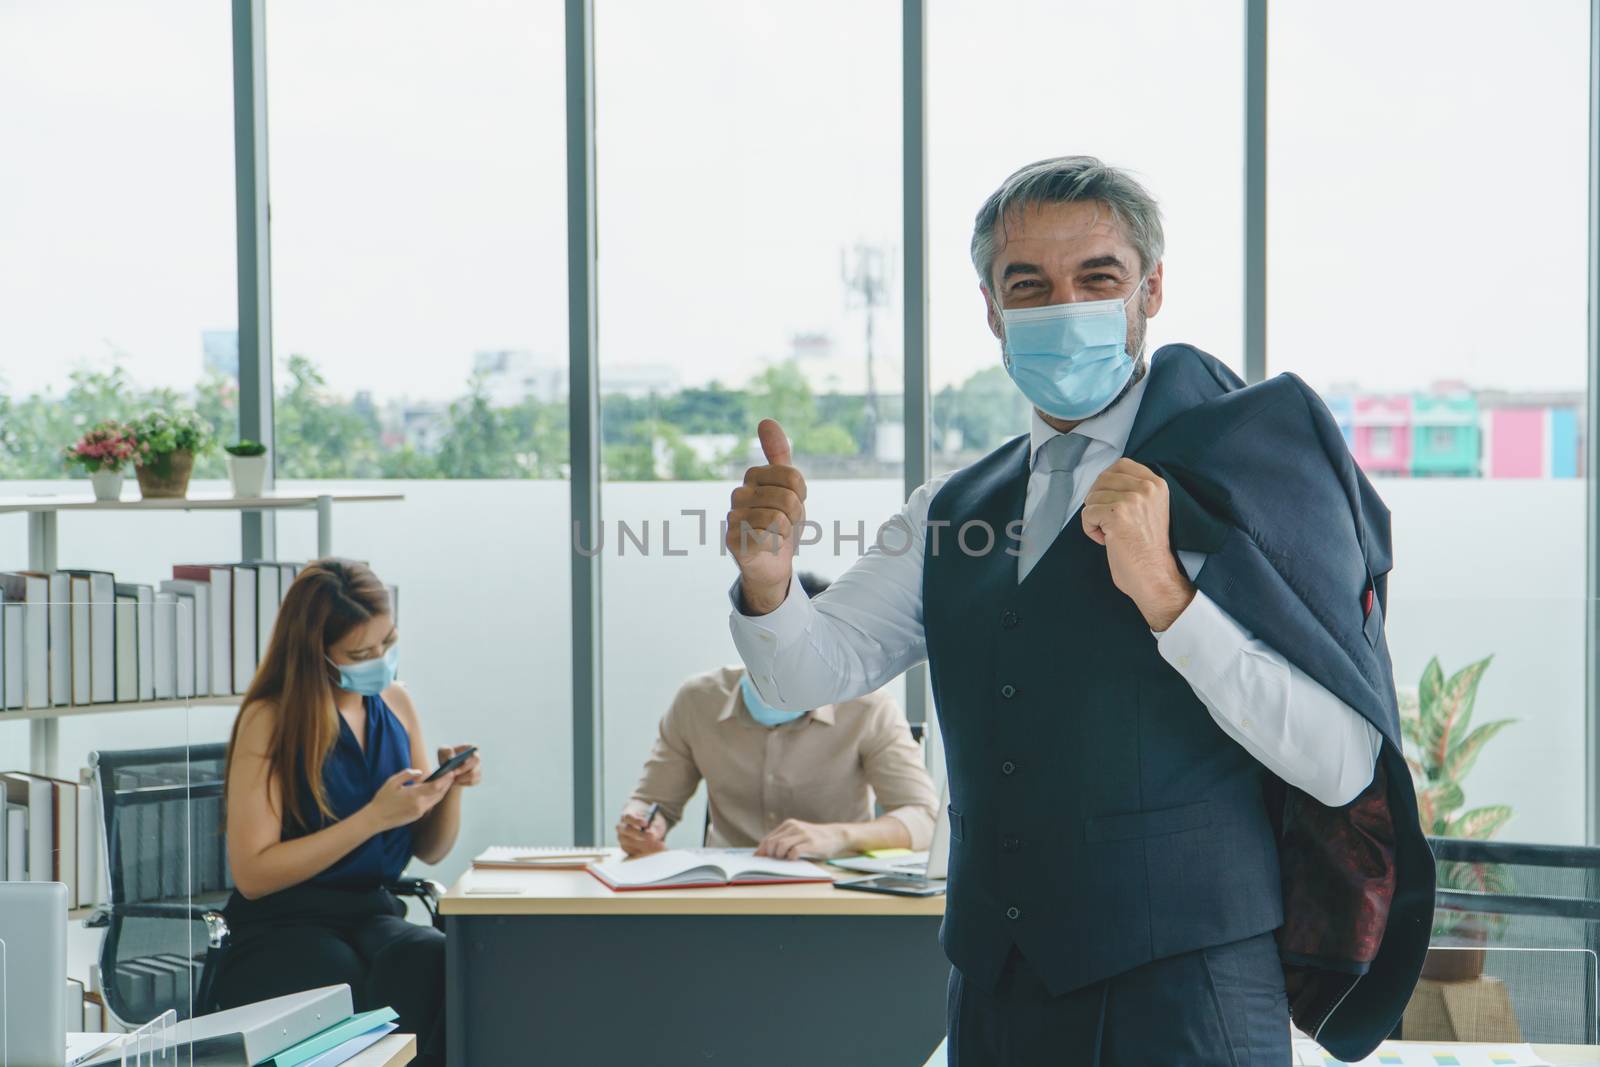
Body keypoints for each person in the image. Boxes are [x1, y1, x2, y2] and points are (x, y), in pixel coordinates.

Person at [722, 157, 1430, 1065]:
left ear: (1152, 290)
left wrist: (1171, 599)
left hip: (1191, 995)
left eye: (1097, 278)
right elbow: (801, 672)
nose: (1064, 308)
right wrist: (769, 580)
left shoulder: (1243, 483)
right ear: (992, 310)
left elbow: (1340, 766)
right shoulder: (948, 509)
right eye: (1030, 285)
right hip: (998, 991)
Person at [215, 558, 479, 1067]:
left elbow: (430, 848)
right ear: (317, 654)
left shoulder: (396, 703)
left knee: (433, 957)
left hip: (371, 912)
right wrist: (373, 818)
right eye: (361, 652)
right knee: (339, 979)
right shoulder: (269, 721)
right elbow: (253, 874)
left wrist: (449, 789)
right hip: (281, 924)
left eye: (387, 643)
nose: (379, 660)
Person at [616, 572, 938, 861]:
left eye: (801, 657)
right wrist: (642, 823)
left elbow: (925, 819)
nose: (785, 672)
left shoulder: (869, 709)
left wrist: (839, 836)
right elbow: (652, 802)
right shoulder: (697, 701)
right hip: (726, 897)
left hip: (831, 894)